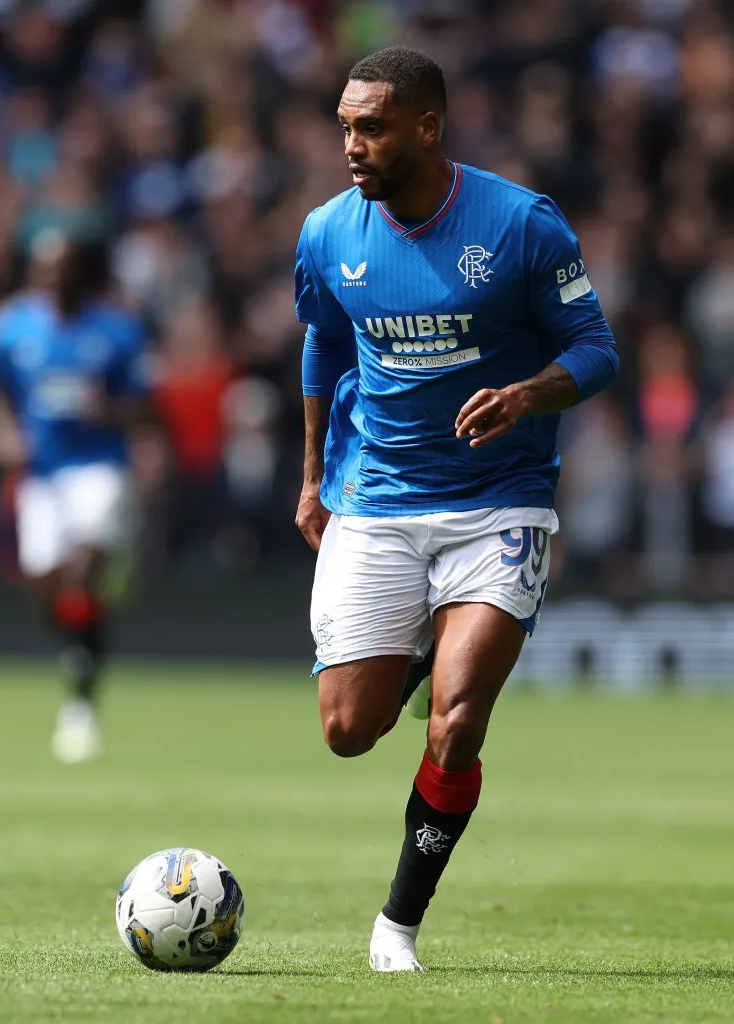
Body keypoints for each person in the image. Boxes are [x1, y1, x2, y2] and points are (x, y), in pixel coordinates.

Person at [294, 47, 619, 972]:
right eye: (346, 126)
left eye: (372, 126)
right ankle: (426, 647)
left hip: (498, 499)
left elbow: (597, 350)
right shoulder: (326, 233)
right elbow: (323, 345)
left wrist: (527, 395)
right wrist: (313, 474)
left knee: (455, 720)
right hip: (378, 494)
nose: (352, 144)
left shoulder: (520, 224)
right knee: (348, 732)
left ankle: (396, 926)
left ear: (427, 127)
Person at [0, 232, 152, 763]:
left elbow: (145, 407)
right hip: (42, 472)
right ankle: (95, 607)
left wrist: (110, 411)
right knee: (45, 585)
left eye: (63, 268)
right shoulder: (12, 328)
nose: (53, 277)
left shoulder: (118, 331)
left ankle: (79, 707)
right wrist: (1, 438)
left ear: (83, 273)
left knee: (80, 566)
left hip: (97, 467)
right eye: (44, 268)